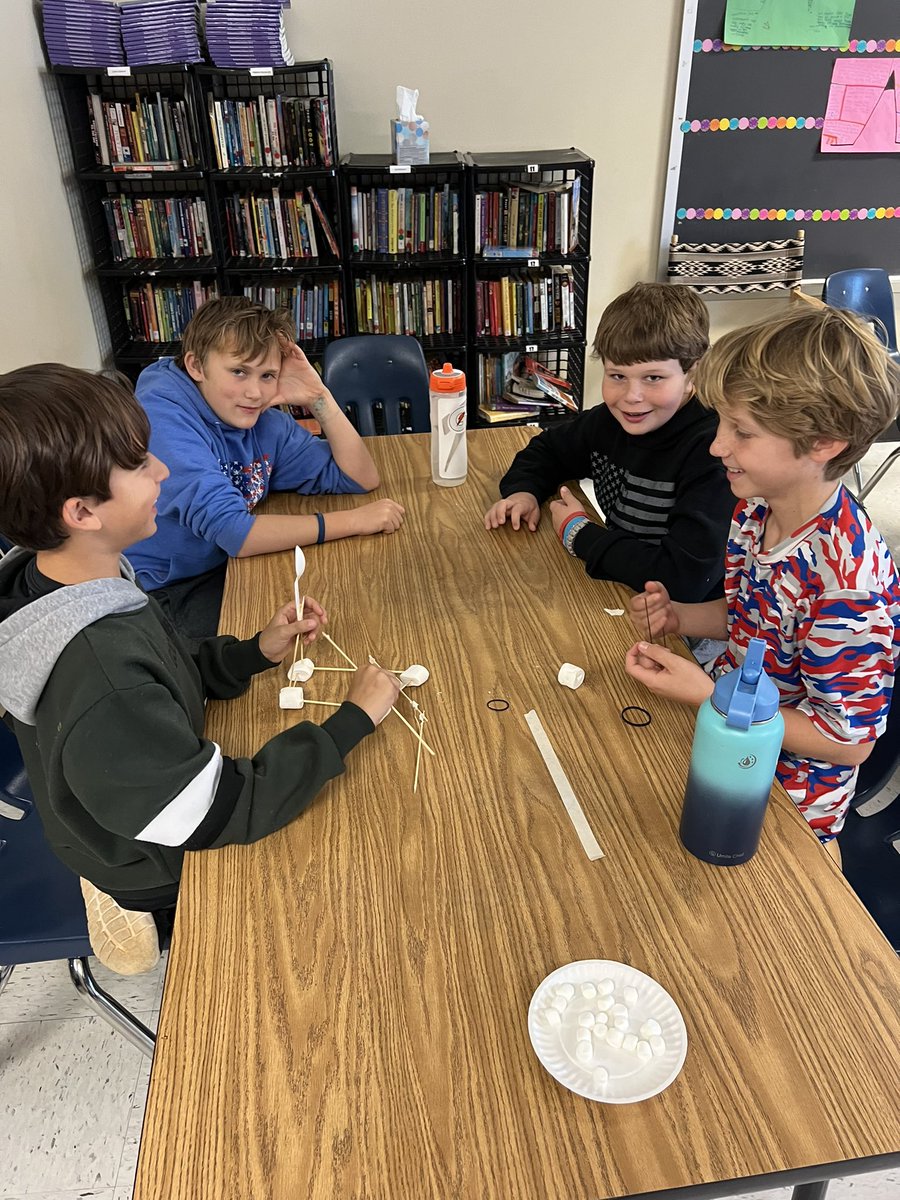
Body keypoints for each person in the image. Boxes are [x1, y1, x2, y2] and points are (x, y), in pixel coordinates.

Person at [0, 364, 402, 974]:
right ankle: (114, 892)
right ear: (82, 512)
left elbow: (161, 660)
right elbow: (217, 809)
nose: (162, 470)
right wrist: (353, 720)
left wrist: (252, 652)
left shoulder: (75, 577)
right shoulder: (102, 672)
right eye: (139, 464)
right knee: (342, 896)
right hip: (150, 853)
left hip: (136, 775)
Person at [624, 306, 900, 859]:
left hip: (784, 797)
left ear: (824, 442)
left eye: (742, 432)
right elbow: (755, 619)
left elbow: (849, 744)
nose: (716, 445)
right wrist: (682, 615)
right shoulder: (756, 507)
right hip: (722, 734)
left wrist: (716, 701)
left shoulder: (850, 584)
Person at [126, 296, 405, 640]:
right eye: (239, 371)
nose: (255, 392)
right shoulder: (163, 419)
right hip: (165, 592)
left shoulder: (260, 420)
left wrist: (319, 397)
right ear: (196, 366)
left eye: (268, 375)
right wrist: (354, 521)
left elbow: (360, 476)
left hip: (228, 566)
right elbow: (234, 533)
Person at [483, 282, 734, 602]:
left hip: (690, 620)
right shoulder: (609, 421)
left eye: (653, 378)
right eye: (617, 376)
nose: (632, 397)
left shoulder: (714, 452)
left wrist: (578, 532)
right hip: (624, 588)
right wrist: (524, 491)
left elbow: (683, 579)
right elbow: (548, 450)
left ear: (692, 375)